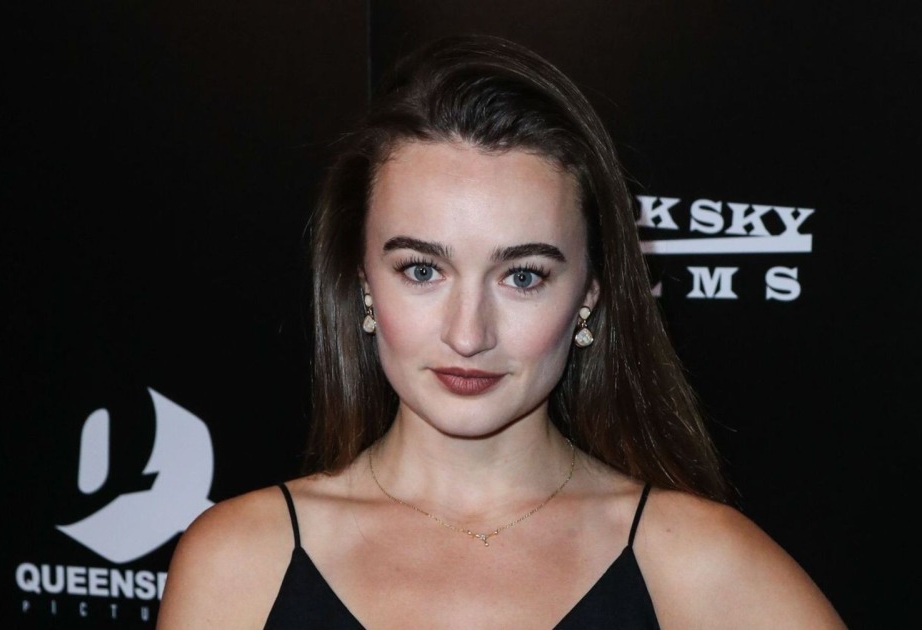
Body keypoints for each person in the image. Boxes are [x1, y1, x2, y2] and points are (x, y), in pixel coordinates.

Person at [157, 34, 846, 629]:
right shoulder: (239, 563)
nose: (468, 335)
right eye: (422, 270)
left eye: (522, 276)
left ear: (589, 295)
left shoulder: (697, 563)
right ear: (363, 281)